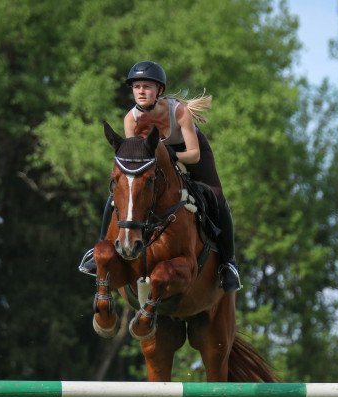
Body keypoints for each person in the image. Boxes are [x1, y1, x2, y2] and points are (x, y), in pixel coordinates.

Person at [80, 61, 241, 292]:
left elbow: (194, 155)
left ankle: (228, 264)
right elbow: (134, 159)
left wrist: (169, 156)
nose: (141, 91)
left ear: (159, 91)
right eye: (137, 87)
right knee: (117, 197)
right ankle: (96, 250)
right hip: (154, 160)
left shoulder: (179, 112)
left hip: (190, 154)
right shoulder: (130, 119)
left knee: (217, 198)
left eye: (147, 86)